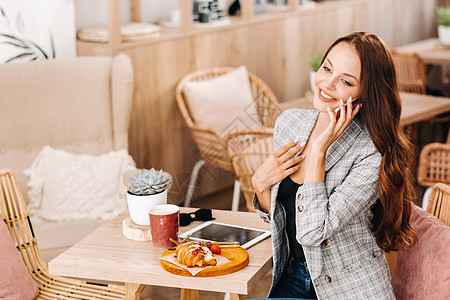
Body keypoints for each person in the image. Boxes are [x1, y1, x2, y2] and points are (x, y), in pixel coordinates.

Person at [251, 32, 418, 299]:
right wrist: (259, 186)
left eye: (346, 81)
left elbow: (313, 232)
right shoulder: (289, 123)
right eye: (327, 68)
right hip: (295, 275)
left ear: (364, 93)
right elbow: (282, 214)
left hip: (351, 287)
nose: (326, 83)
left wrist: (318, 151)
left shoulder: (372, 152)